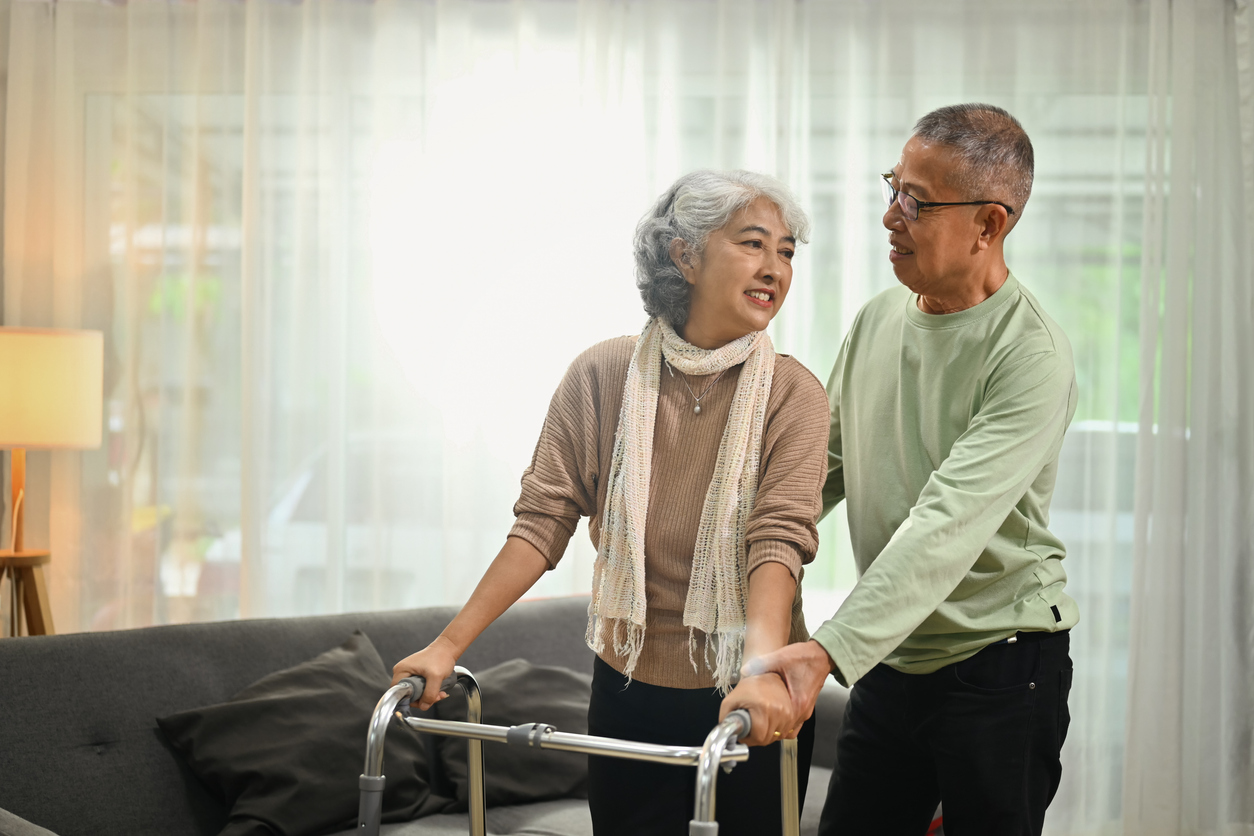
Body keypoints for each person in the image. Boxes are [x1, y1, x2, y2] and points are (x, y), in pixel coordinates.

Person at [392, 170, 830, 835]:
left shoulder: (793, 394)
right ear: (684, 254)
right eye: (753, 244)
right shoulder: (603, 375)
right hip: (627, 687)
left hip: (745, 697)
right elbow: (541, 524)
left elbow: (777, 544)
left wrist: (763, 672)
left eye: (788, 251)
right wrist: (447, 646)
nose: (775, 268)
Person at [735, 104, 1079, 836]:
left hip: (1001, 664)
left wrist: (829, 648)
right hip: (894, 655)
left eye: (916, 200)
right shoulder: (878, 320)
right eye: (894, 186)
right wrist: (721, 540)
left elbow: (944, 526)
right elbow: (819, 469)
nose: (891, 215)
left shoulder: (1031, 355)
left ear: (989, 225)